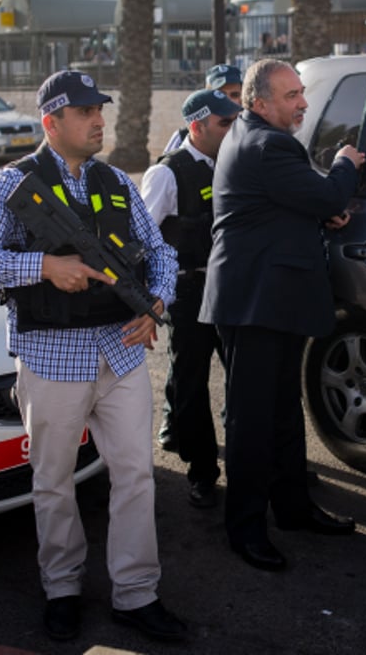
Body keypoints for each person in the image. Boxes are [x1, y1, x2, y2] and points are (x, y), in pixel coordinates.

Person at [0, 70, 187, 644]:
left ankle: (136, 593)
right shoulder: (9, 185)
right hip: (52, 359)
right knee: (53, 482)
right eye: (84, 112)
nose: (99, 120)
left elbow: (161, 253)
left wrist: (155, 301)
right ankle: (62, 588)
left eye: (99, 109)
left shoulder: (115, 182)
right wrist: (44, 267)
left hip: (120, 354)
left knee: (135, 476)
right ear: (51, 122)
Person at [198, 58, 366, 572]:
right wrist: (345, 163)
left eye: (300, 92)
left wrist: (321, 208)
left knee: (282, 413)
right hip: (253, 303)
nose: (303, 103)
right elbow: (327, 190)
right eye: (291, 95)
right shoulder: (267, 144)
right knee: (250, 422)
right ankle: (245, 530)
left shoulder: (253, 137)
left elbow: (289, 200)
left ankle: (293, 509)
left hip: (269, 299)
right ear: (258, 102)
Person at [140, 88, 238, 508]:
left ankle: (255, 464)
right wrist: (151, 298)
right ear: (197, 126)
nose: (233, 130)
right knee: (192, 384)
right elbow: (141, 236)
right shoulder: (168, 173)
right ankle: (202, 471)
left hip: (232, 287)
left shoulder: (234, 162)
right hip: (191, 290)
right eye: (224, 123)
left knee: (243, 379)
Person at [162, 64, 242, 154]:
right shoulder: (183, 136)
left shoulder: (250, 131)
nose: (228, 100)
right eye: (220, 94)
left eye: (234, 95)